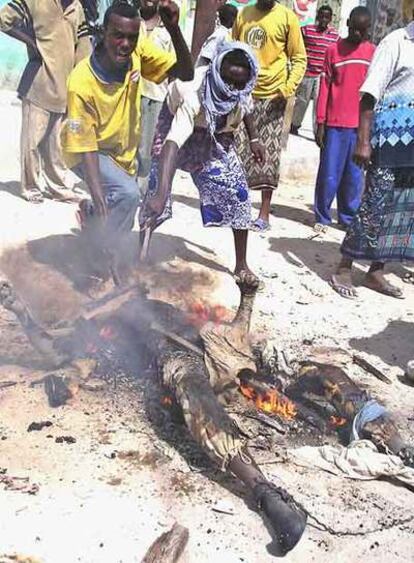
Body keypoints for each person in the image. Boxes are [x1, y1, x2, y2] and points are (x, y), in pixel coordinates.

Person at [61, 0, 193, 281]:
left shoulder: (137, 54)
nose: (125, 44)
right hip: (85, 150)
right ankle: (98, 263)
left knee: (125, 202)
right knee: (127, 195)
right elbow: (86, 146)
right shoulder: (81, 81)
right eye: (117, 35)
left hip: (121, 152)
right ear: (102, 33)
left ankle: (96, 231)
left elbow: (186, 73)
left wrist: (173, 29)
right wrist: (98, 196)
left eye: (132, 37)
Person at [139, 42, 265, 278]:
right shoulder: (193, 91)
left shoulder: (242, 87)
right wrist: (162, 193)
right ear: (218, 69)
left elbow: (246, 106)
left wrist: (255, 138)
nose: (232, 88)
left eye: (239, 83)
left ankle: (241, 264)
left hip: (216, 136)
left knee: (238, 192)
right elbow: (172, 143)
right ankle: (142, 253)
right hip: (175, 125)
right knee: (156, 192)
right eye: (228, 81)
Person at [330, 15, 414, 299]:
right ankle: (344, 266)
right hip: (389, 141)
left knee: (400, 213)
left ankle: (376, 271)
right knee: (373, 207)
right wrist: (363, 142)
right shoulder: (396, 42)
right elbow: (369, 94)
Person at [0, 0, 92, 203]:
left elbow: (83, 47)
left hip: (64, 86)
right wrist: (31, 42)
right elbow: (4, 20)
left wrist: (83, 81)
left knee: (55, 146)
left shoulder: (76, 7)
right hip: (38, 84)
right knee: (31, 142)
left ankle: (58, 188)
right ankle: (31, 188)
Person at [233, 0, 306, 232]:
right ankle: (237, 207)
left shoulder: (287, 18)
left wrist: (286, 89)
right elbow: (232, 50)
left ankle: (264, 213)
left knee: (269, 156)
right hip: (244, 95)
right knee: (237, 150)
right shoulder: (243, 14)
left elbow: (299, 58)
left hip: (274, 98)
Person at [313, 7, 375, 233]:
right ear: (347, 23)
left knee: (354, 176)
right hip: (335, 123)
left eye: (363, 30)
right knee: (329, 173)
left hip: (360, 127)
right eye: (355, 29)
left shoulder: (373, 53)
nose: (358, 34)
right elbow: (325, 88)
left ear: (368, 29)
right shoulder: (333, 51)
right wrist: (321, 121)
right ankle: (322, 215)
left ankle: (348, 217)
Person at [137, 0, 175, 197]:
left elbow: (174, 66)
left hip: (155, 95)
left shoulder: (167, 27)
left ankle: (140, 190)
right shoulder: (133, 20)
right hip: (132, 92)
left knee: (146, 148)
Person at [290, 5, 338, 136]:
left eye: (326, 17)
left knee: (319, 103)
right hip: (307, 72)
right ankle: (294, 125)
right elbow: (295, 42)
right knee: (302, 100)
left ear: (330, 19)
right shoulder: (307, 30)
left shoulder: (335, 36)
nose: (323, 19)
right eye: (321, 16)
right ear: (317, 16)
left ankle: (318, 131)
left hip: (322, 76)